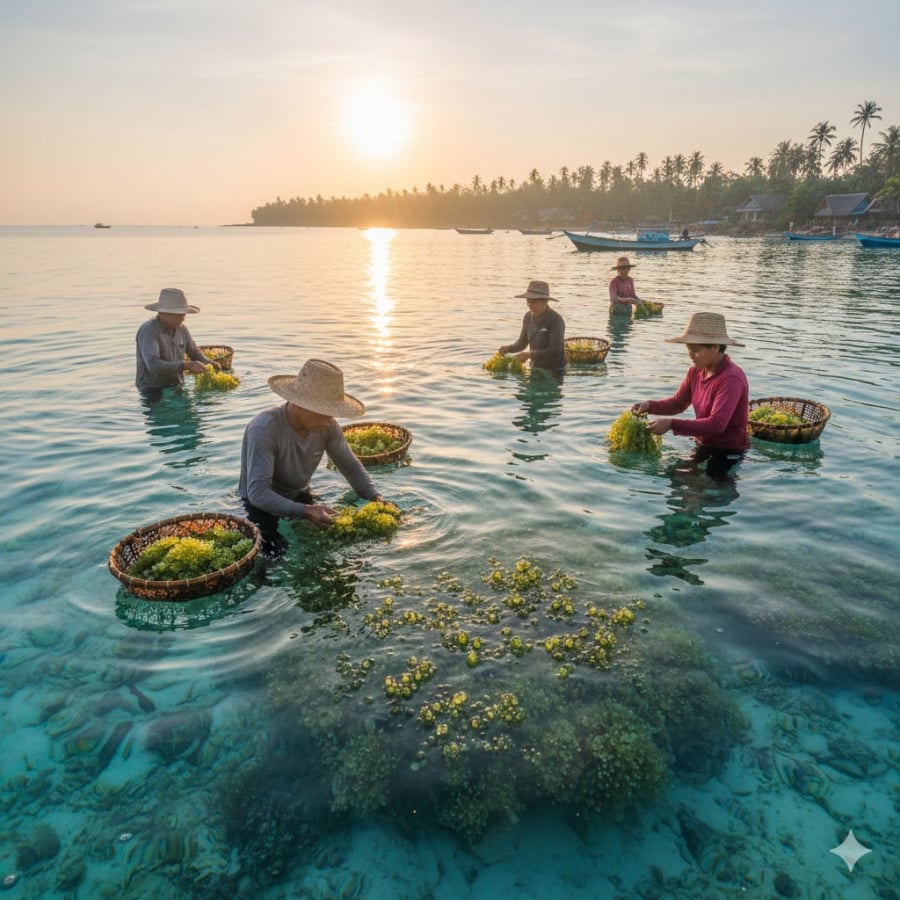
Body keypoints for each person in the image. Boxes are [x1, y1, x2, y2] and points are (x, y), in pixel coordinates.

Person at [239, 358, 384, 556]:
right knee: (275, 556)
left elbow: (350, 466)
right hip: (260, 505)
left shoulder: (328, 426)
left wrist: (375, 497)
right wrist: (305, 511)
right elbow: (258, 493)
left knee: (327, 542)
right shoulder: (264, 429)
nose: (330, 420)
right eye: (325, 413)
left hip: (299, 495)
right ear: (302, 405)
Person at [631, 312, 749, 480]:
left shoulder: (731, 379)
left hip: (729, 450)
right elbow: (678, 403)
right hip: (704, 443)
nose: (690, 355)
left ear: (715, 347)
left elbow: (717, 424)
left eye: (696, 350)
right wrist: (650, 406)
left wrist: (671, 424)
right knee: (675, 477)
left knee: (710, 490)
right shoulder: (696, 371)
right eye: (688, 349)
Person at [135, 288, 219, 398]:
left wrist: (210, 364)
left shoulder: (182, 329)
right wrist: (186, 365)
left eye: (184, 313)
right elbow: (153, 365)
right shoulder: (149, 331)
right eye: (179, 313)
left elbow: (194, 353)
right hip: (151, 389)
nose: (184, 317)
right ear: (163, 313)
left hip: (176, 385)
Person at [498, 280, 566, 373]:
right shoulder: (527, 317)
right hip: (535, 367)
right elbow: (522, 343)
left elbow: (555, 350)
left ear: (545, 301)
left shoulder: (555, 320)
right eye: (528, 301)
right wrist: (508, 349)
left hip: (555, 370)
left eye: (534, 302)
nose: (530, 305)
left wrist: (530, 355)